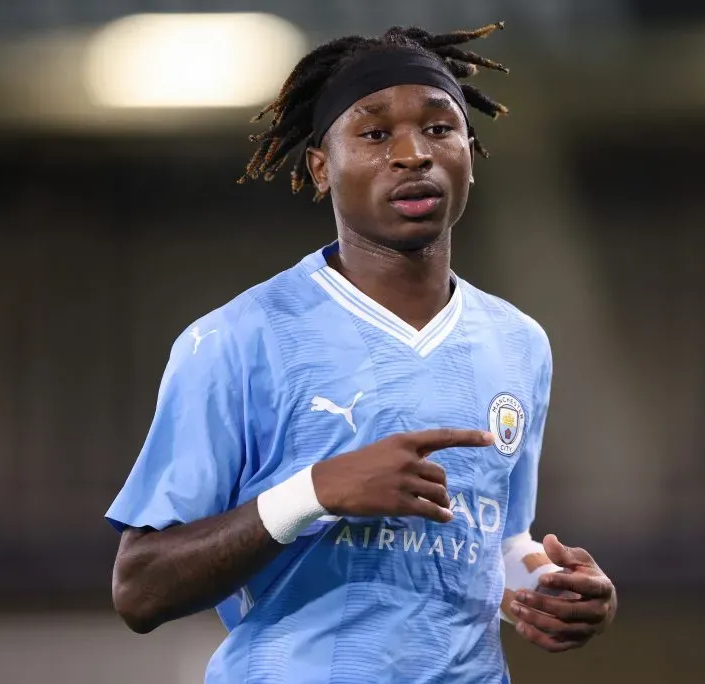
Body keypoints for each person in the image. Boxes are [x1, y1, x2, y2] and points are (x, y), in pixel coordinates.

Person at [105, 21, 617, 684]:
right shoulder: (237, 340)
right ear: (322, 165)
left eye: (439, 128)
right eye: (375, 134)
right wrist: (315, 491)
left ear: (469, 148)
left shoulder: (518, 343)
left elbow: (489, 544)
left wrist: (547, 588)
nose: (413, 154)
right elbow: (140, 589)